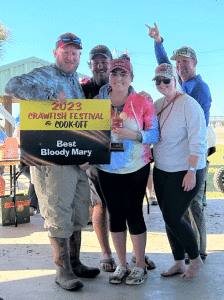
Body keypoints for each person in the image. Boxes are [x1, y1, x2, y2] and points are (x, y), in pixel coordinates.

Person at [5, 33, 100, 291]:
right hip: (50, 161)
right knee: (57, 211)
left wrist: (85, 154)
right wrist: (49, 94)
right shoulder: (45, 75)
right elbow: (12, 86)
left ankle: (75, 262)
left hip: (75, 160)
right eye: (66, 52)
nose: (70, 57)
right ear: (55, 53)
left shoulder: (75, 81)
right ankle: (62, 270)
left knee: (78, 211)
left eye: (75, 53)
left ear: (80, 57)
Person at [81, 45, 157, 272]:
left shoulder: (143, 102)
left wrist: (136, 135)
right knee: (112, 214)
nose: (118, 77)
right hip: (106, 168)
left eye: (124, 74)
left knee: (134, 213)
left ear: (131, 77)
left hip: (136, 167)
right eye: (114, 73)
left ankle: (139, 264)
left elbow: (154, 133)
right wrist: (87, 154)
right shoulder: (95, 100)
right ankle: (121, 264)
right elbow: (87, 132)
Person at [146, 22, 212, 261]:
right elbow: (164, 65)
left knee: (194, 205)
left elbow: (199, 131)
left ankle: (200, 252)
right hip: (174, 160)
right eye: (178, 62)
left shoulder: (198, 90)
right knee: (177, 211)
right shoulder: (177, 84)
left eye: (185, 61)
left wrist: (192, 166)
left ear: (194, 63)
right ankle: (184, 252)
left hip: (194, 156)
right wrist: (158, 41)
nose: (181, 65)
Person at [152, 63, 207, 279]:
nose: (162, 84)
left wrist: (192, 170)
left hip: (186, 170)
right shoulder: (157, 104)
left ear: (175, 81)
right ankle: (177, 261)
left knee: (174, 216)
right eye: (158, 81)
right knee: (167, 217)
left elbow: (199, 141)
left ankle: (195, 259)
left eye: (167, 80)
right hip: (162, 169)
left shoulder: (189, 104)